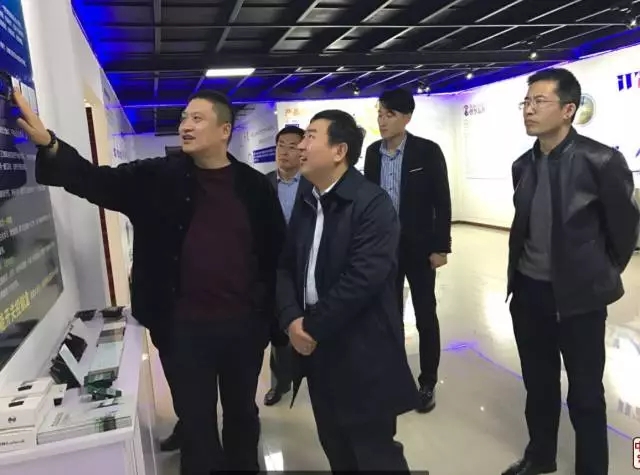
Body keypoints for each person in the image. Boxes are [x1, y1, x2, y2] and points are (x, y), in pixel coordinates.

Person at [13, 88, 286, 475]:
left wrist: (271, 319)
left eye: (197, 119)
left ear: (224, 130)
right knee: (196, 421)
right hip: (183, 330)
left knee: (242, 414)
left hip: (242, 327)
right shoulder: (157, 178)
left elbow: (276, 255)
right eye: (184, 118)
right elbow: (95, 180)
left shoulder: (254, 188)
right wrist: (50, 144)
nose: (185, 125)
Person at [503, 68, 639, 475]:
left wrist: (598, 274)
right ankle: (540, 456)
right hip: (529, 294)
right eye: (526, 102)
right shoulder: (522, 165)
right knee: (538, 385)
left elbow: (624, 229)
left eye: (539, 101)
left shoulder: (601, 161)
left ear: (567, 110)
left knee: (585, 394)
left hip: (580, 300)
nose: (528, 110)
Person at [277, 109, 419, 471]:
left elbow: (363, 279)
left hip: (361, 349)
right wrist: (291, 318)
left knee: (373, 453)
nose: (300, 146)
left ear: (339, 151)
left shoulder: (372, 203)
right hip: (316, 349)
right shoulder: (309, 198)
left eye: (311, 137)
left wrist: (310, 328)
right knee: (335, 444)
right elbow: (286, 266)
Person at [364, 88, 452, 413]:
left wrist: (441, 247)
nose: (382, 120)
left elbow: (442, 201)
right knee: (389, 317)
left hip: (419, 249)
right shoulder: (372, 153)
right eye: (380, 114)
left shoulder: (427, 151)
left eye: (389, 115)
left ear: (407, 117)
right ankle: (394, 378)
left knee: (425, 315)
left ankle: (427, 381)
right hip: (384, 250)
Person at [263, 125, 312, 407]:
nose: (285, 151)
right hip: (272, 268)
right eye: (281, 145)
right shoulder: (263, 184)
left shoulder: (312, 184)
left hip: (306, 267)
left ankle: (312, 378)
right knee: (276, 329)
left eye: (292, 146)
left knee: (308, 323)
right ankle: (279, 383)